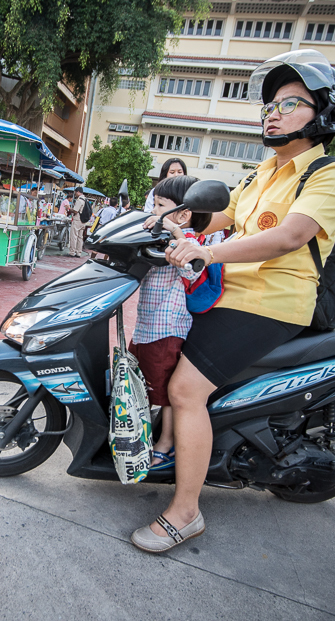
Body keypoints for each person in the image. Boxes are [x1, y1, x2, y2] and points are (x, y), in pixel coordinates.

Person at [129, 50, 335, 553]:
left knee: (186, 390)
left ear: (323, 112)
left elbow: (288, 237)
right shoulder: (263, 172)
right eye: (269, 105)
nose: (272, 112)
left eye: (290, 103)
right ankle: (175, 448)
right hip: (231, 296)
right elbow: (219, 216)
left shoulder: (329, 174)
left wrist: (205, 254)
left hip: (273, 302)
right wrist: (164, 222)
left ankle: (185, 513)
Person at [129, 175, 213, 470]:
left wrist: (176, 232)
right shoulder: (160, 236)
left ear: (183, 214)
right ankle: (147, 434)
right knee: (143, 383)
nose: (154, 210)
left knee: (165, 392)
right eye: (153, 204)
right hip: (147, 327)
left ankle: (166, 443)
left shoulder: (187, 242)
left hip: (167, 329)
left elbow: (193, 270)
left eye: (160, 205)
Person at [67, 186, 88, 257]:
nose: (75, 194)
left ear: (78, 192)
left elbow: (75, 210)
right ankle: (79, 252)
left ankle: (72, 252)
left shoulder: (79, 200)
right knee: (80, 237)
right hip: (83, 221)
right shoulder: (86, 200)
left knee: (74, 236)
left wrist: (69, 209)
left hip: (77, 220)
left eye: (75, 192)